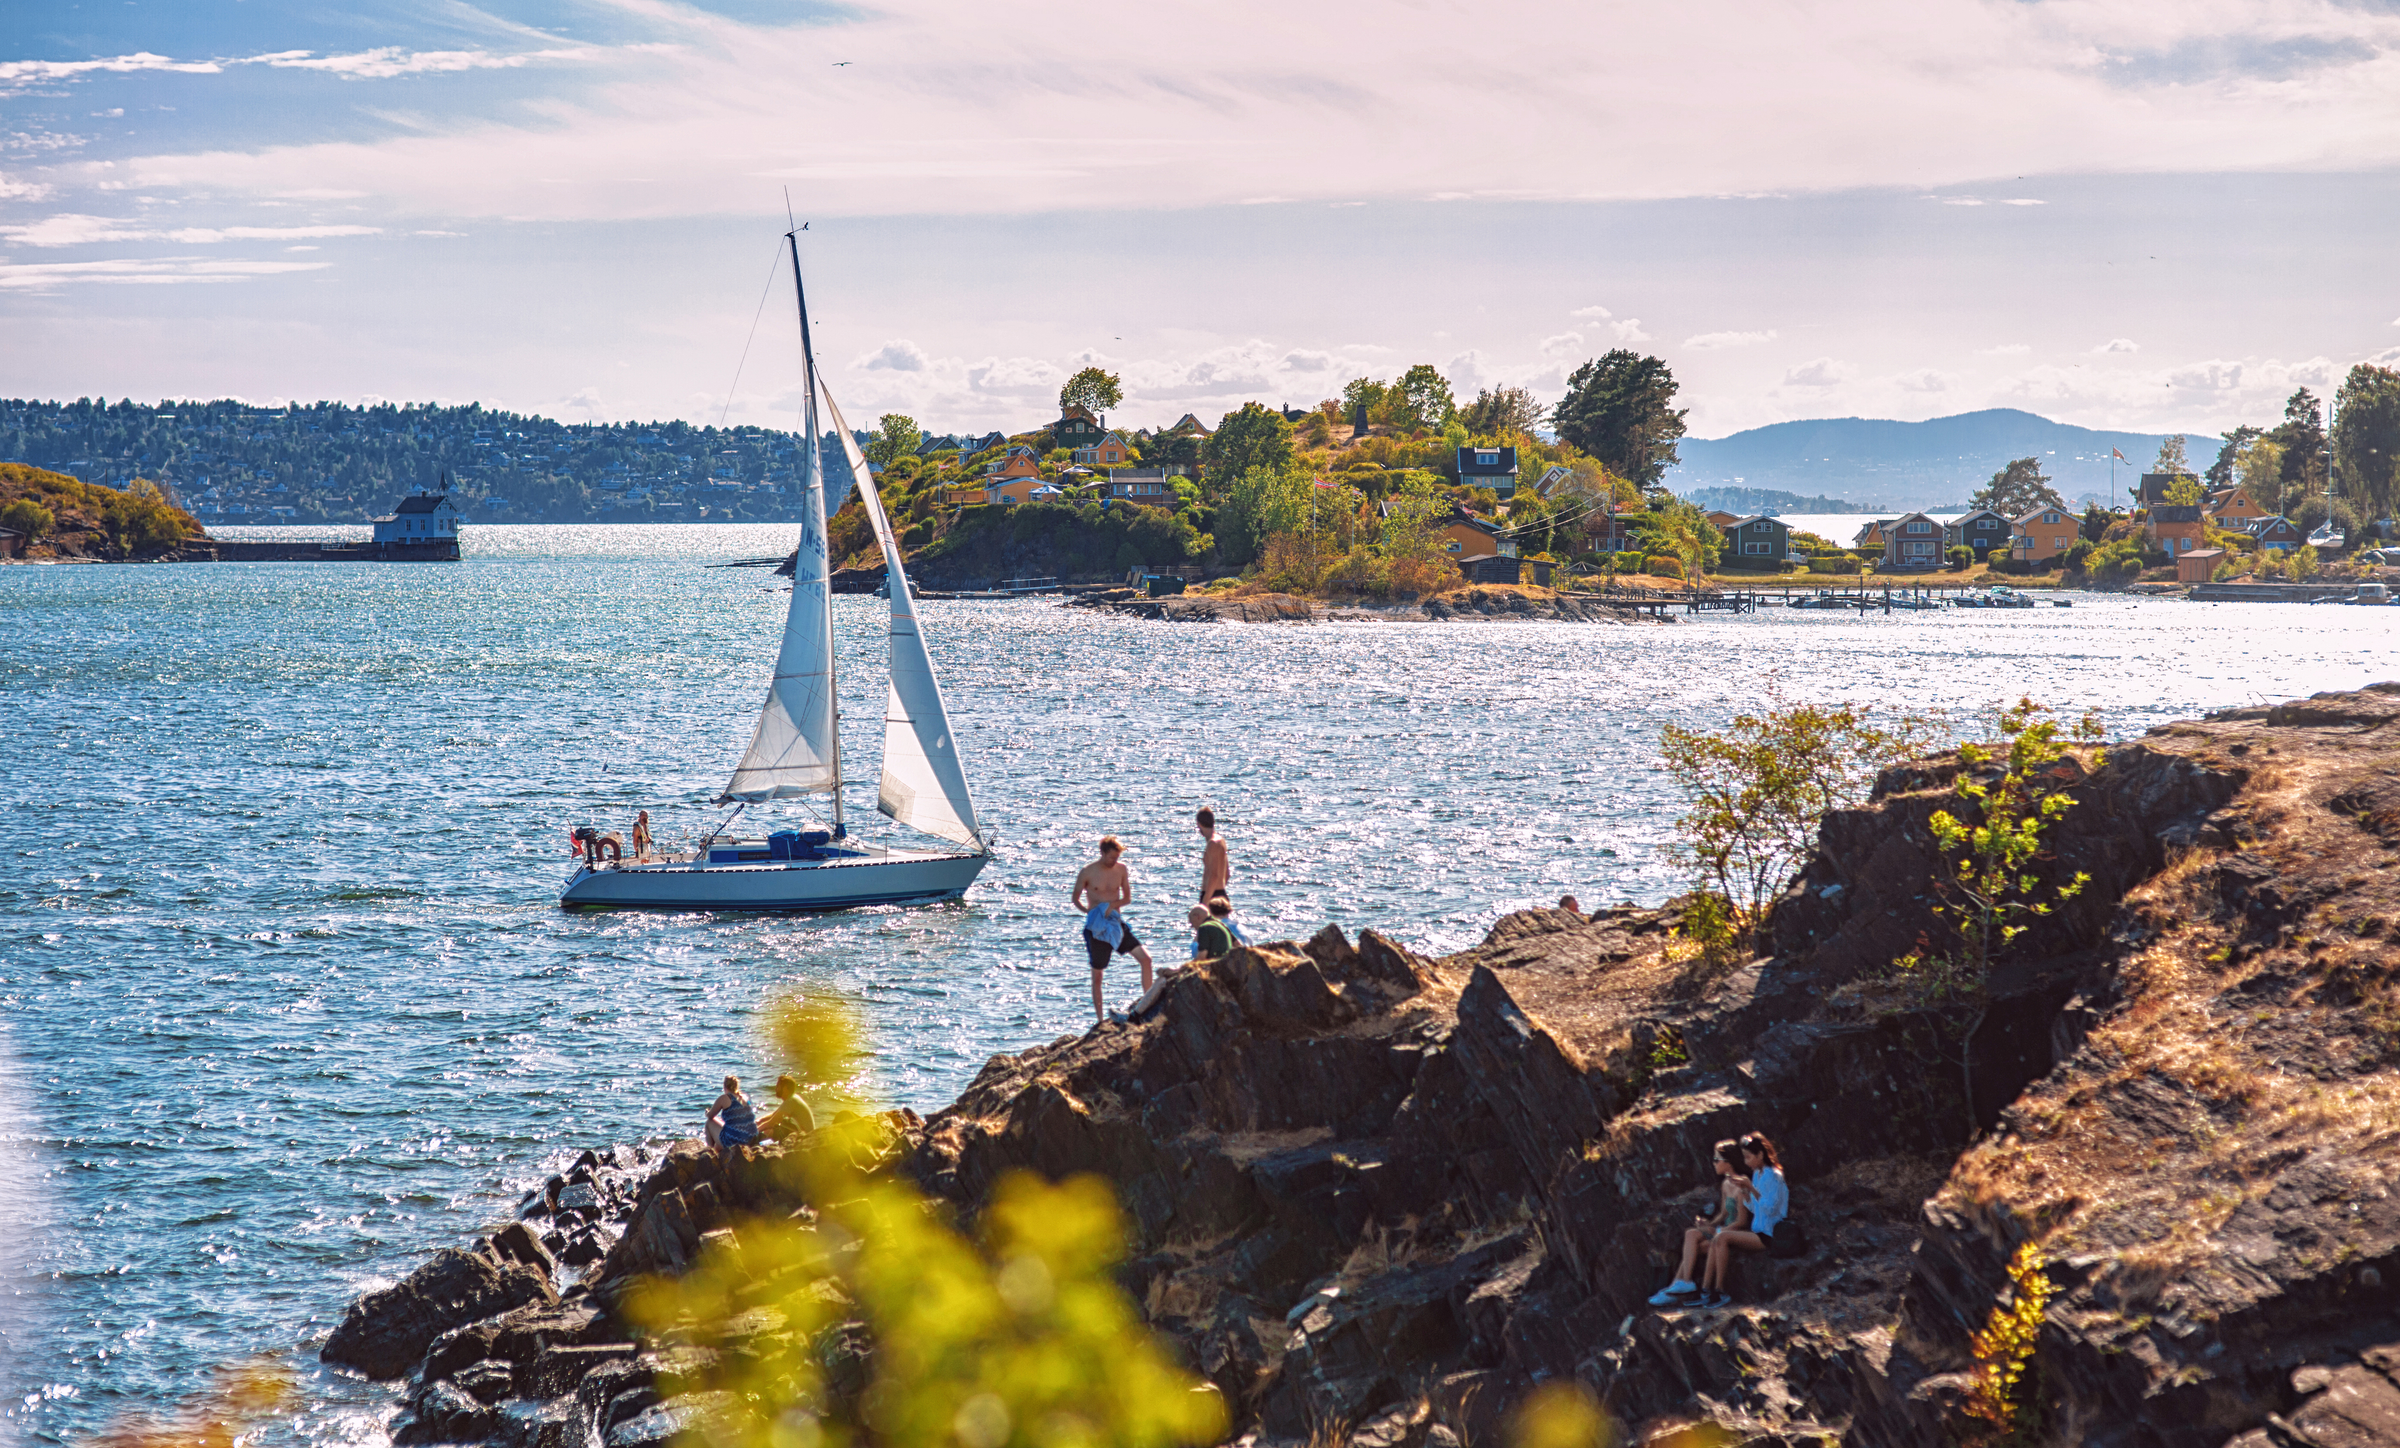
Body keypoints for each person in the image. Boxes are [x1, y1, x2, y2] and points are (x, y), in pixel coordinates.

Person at [1649, 1139, 1751, 1306]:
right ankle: (1681, 1283)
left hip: (1735, 1232)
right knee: (1692, 1234)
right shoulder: (1726, 1184)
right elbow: (1724, 1213)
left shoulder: (1742, 1185)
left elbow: (1741, 1221)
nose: (1714, 1163)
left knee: (1698, 1243)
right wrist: (1708, 1224)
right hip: (1723, 1229)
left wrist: (1718, 1231)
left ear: (1729, 1161)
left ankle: (1676, 1288)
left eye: (1717, 1160)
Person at [1695, 1133, 1791, 1307]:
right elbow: (1754, 1207)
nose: (1746, 1162)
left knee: (1722, 1237)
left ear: (1760, 1155)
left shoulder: (1774, 1176)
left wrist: (1750, 1189)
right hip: (1758, 1231)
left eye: (1748, 1157)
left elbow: (1771, 1209)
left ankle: (1720, 1291)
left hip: (1770, 1234)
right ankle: (1707, 1290)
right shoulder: (1757, 1174)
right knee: (1718, 1239)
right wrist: (1745, 1192)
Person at [1072, 836, 1154, 1022]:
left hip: (1116, 924)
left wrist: (1111, 906)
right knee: (1098, 976)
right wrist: (1090, 913)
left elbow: (1127, 898)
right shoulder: (1087, 872)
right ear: (1102, 853)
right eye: (1111, 858)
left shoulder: (1121, 869)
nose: (1114, 861)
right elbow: (1075, 898)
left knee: (1146, 959)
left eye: (1117, 857)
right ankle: (1100, 1020)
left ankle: (1149, 1005)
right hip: (1097, 929)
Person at [706, 1075, 760, 1155]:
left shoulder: (724, 1098)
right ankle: (718, 1152)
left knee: (709, 1123)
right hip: (750, 1137)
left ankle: (710, 1154)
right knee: (726, 1126)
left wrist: (707, 1112)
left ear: (725, 1086)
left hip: (735, 1140)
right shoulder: (745, 1097)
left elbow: (710, 1116)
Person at [761, 1073, 814, 1139]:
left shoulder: (791, 1101)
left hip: (805, 1137)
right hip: (805, 1134)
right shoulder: (793, 1098)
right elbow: (775, 1115)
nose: (776, 1089)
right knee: (778, 1126)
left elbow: (771, 1123)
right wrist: (760, 1120)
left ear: (785, 1088)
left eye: (778, 1086)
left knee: (768, 1131)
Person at [1196, 807, 1229, 903]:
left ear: (1199, 824)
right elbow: (1226, 874)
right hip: (1220, 893)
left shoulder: (1212, 844)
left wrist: (1205, 902)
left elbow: (1213, 875)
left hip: (1211, 896)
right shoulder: (1221, 840)